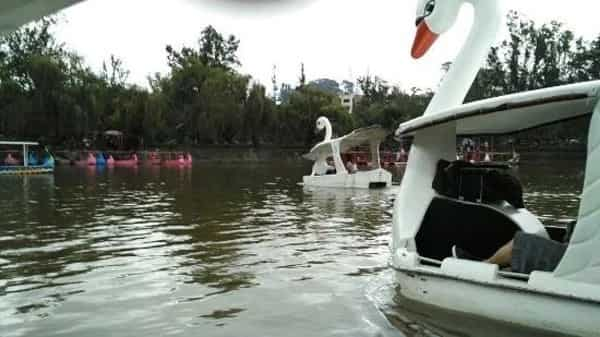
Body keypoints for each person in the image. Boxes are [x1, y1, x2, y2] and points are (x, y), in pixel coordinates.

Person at [452, 221, 575, 274]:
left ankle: (481, 267)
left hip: (575, 262)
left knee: (520, 243)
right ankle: (494, 273)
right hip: (577, 256)